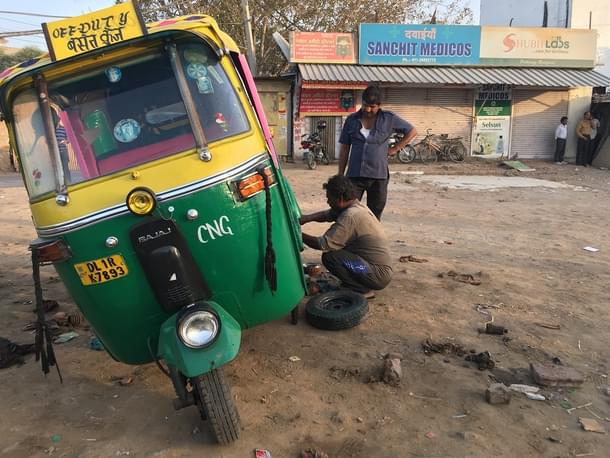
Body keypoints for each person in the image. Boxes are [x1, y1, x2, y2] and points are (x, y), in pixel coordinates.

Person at [300, 175, 392, 298]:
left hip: (376, 274)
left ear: (341, 198)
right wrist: (305, 219)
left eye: (329, 199)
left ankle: (360, 289)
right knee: (339, 251)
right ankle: (357, 283)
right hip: (376, 269)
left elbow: (323, 244)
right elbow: (327, 215)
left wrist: (298, 235)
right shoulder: (356, 206)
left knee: (331, 256)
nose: (328, 202)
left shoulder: (350, 216)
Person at [338, 85, 417, 220]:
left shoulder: (389, 119)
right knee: (347, 213)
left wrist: (395, 149)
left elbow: (412, 131)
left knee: (374, 215)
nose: (368, 110)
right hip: (354, 175)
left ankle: (368, 240)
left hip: (378, 177)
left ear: (379, 105)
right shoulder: (351, 120)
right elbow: (345, 147)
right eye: (365, 105)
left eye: (372, 107)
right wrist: (340, 174)